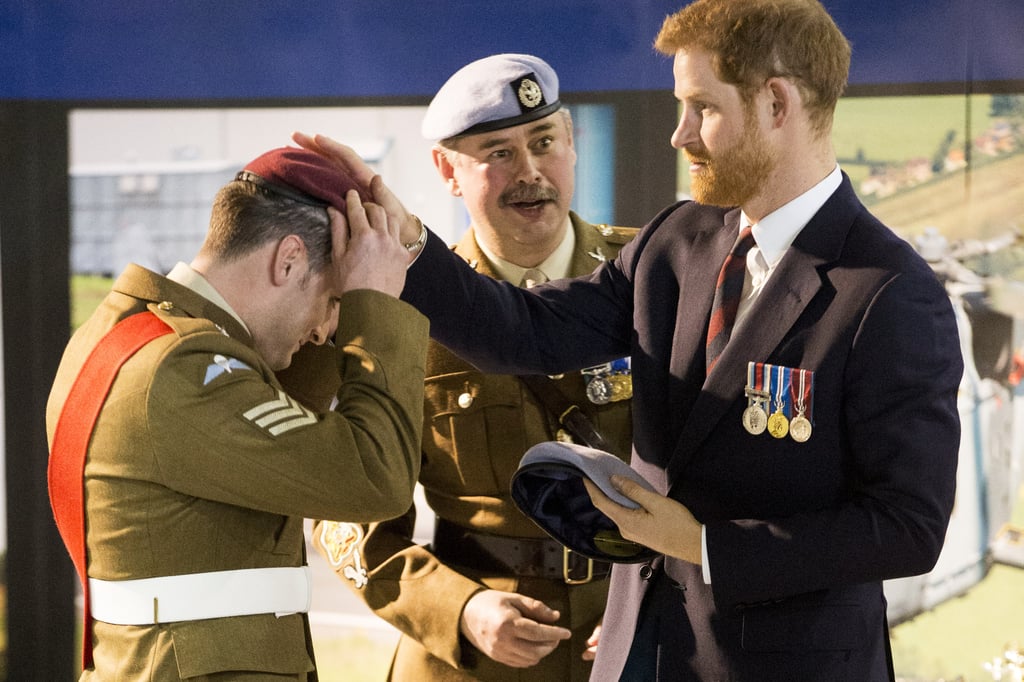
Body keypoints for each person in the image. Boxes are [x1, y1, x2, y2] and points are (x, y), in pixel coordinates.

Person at [294, 0, 966, 679]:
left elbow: (907, 526)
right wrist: (404, 236)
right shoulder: (678, 243)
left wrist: (702, 544)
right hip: (639, 654)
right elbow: (526, 331)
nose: (679, 135)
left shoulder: (888, 294)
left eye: (701, 107)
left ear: (776, 104)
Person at [45, 146, 429, 681]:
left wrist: (393, 258)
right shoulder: (183, 369)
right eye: (335, 301)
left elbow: (293, 416)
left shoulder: (134, 337)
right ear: (288, 258)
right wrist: (377, 307)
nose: (325, 330)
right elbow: (374, 478)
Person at [311, 54, 636, 681]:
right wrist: (461, 608)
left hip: (635, 636)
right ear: (447, 171)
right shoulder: (396, 306)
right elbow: (347, 510)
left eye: (544, 142)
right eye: (499, 152)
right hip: (474, 654)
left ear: (572, 141)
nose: (531, 172)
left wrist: (649, 595)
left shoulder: (655, 277)